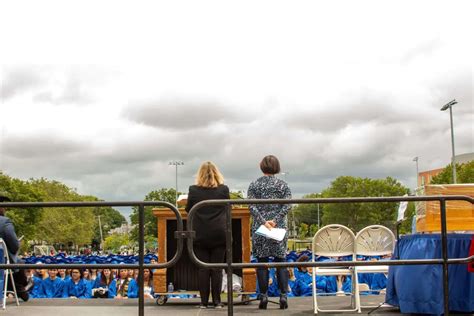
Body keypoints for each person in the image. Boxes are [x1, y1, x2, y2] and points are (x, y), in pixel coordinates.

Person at [248, 155, 292, 309]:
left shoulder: (254, 185)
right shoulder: (283, 185)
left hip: (260, 229)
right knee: (281, 261)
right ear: (277, 167)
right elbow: (287, 205)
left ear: (262, 167)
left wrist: (263, 221)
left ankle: (264, 296)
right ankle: (283, 296)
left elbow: (251, 207)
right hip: (278, 228)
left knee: (262, 262)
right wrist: (275, 220)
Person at [185, 161, 230, 309]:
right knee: (217, 268)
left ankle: (203, 302)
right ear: (217, 174)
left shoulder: (193, 190)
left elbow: (188, 209)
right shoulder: (223, 190)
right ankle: (217, 302)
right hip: (219, 234)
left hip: (200, 235)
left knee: (203, 269)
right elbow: (228, 208)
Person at [0, 191, 30, 301]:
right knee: (19, 262)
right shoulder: (4, 222)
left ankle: (21, 289)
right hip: (2, 261)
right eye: (4, 206)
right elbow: (14, 246)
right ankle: (22, 289)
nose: (5, 209)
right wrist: (18, 243)